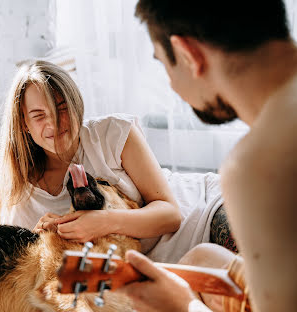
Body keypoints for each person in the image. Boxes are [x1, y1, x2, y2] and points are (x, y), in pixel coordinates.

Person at [120, 0, 297, 311]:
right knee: (204, 258)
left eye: (163, 64)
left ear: (189, 54)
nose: (173, 87)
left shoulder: (256, 166)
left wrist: (184, 304)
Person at [0, 60, 182, 247]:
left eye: (62, 108)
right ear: (24, 123)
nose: (54, 123)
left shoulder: (114, 134)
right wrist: (45, 238)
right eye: (39, 115)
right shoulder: (19, 190)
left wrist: (103, 221)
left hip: (194, 226)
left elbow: (171, 214)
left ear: (76, 105)